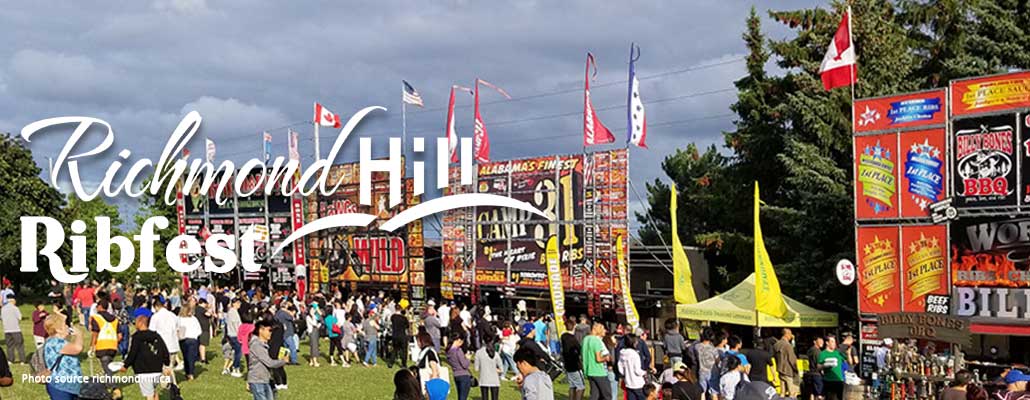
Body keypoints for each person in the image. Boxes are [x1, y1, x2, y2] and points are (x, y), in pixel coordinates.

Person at [120, 315, 170, 400]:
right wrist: (166, 363)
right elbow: (164, 350)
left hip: (143, 371)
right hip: (157, 370)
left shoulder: (136, 337)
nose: (135, 324)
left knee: (149, 395)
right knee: (153, 391)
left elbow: (133, 353)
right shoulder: (156, 336)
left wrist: (125, 366)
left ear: (141, 323)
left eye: (136, 322)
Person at [43, 313, 83, 400]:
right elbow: (77, 348)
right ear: (58, 329)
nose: (68, 327)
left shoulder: (58, 341)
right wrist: (79, 335)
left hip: (69, 385)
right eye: (65, 325)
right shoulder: (55, 342)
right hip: (61, 386)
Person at [249, 319, 288, 400]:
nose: (271, 333)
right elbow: (269, 363)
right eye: (269, 330)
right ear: (261, 330)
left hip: (265, 379)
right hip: (258, 381)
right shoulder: (257, 345)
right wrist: (283, 361)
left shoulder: (263, 344)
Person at [148, 299, 181, 371]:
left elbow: (151, 331)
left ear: (156, 307)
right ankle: (171, 378)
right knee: (170, 367)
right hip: (173, 344)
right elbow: (178, 329)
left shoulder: (155, 316)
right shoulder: (173, 315)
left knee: (163, 367)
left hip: (161, 345)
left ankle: (166, 378)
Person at [583, 320, 612, 400]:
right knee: (607, 395)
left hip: (589, 370)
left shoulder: (585, 339)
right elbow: (598, 359)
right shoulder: (596, 341)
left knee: (595, 395)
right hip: (599, 372)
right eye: (602, 329)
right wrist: (606, 358)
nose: (604, 331)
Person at [561, 317, 586, 400]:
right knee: (581, 387)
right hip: (575, 365)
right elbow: (579, 350)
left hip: (567, 364)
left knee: (572, 386)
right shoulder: (573, 339)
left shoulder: (563, 337)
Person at [618, 334, 648, 400]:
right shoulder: (635, 354)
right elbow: (637, 371)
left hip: (628, 382)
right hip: (638, 383)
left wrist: (626, 373)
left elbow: (620, 368)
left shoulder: (622, 353)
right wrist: (645, 372)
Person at [817, 336, 847, 400]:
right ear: (827, 343)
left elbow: (849, 361)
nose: (834, 343)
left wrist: (849, 353)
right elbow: (818, 367)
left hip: (839, 380)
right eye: (832, 342)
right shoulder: (822, 353)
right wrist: (825, 365)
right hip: (828, 380)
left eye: (835, 342)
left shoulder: (838, 353)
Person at [177, 304, 202, 380]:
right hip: (192, 339)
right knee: (191, 357)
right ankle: (190, 373)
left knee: (186, 356)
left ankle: (188, 372)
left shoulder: (179, 319)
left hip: (183, 339)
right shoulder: (193, 319)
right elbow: (199, 330)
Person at [773, 328, 800, 397]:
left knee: (782, 392)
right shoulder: (787, 345)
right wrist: (796, 369)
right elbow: (792, 359)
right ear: (786, 334)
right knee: (792, 393)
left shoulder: (776, 345)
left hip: (780, 370)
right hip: (788, 371)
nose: (791, 336)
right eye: (790, 334)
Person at [447, 333, 471, 400]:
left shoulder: (449, 351)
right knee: (463, 397)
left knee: (460, 396)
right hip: (464, 375)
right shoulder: (458, 350)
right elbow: (465, 365)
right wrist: (468, 358)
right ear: (458, 340)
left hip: (456, 374)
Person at [1, 296, 24, 364]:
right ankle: (22, 360)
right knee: (19, 345)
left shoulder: (3, 309)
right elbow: (20, 317)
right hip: (16, 329)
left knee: (9, 346)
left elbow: (1, 318)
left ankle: (10, 360)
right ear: (12, 301)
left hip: (7, 330)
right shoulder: (15, 308)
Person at [225, 297, 244, 377]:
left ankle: (231, 367)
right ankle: (235, 367)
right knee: (238, 352)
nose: (240, 304)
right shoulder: (233, 312)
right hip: (235, 335)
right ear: (234, 304)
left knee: (236, 352)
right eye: (238, 303)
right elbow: (236, 325)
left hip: (233, 334)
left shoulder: (233, 311)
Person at [390, 303, 411, 368]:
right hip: (402, 335)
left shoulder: (393, 317)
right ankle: (404, 364)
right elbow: (407, 326)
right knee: (404, 350)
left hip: (395, 335)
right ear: (401, 309)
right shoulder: (403, 318)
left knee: (395, 349)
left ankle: (391, 363)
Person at [196, 298, 213, 364]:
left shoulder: (196, 309)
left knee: (198, 343)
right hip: (204, 328)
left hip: (197, 328)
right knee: (203, 344)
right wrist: (210, 309)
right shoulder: (202, 309)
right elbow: (208, 314)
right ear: (203, 303)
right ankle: (203, 358)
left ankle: (198, 356)